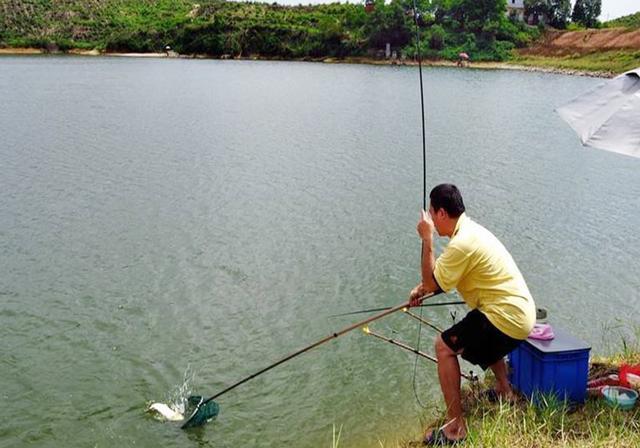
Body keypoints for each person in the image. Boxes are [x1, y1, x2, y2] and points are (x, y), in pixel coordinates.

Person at [409, 184, 535, 445]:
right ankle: (504, 391)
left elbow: (434, 283)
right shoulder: (471, 232)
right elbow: (439, 280)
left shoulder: (461, 245)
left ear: (442, 213)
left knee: (444, 347)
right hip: (520, 315)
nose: (430, 219)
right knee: (479, 323)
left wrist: (426, 239)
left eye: (431, 214)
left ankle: (456, 428)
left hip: (506, 318)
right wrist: (422, 289)